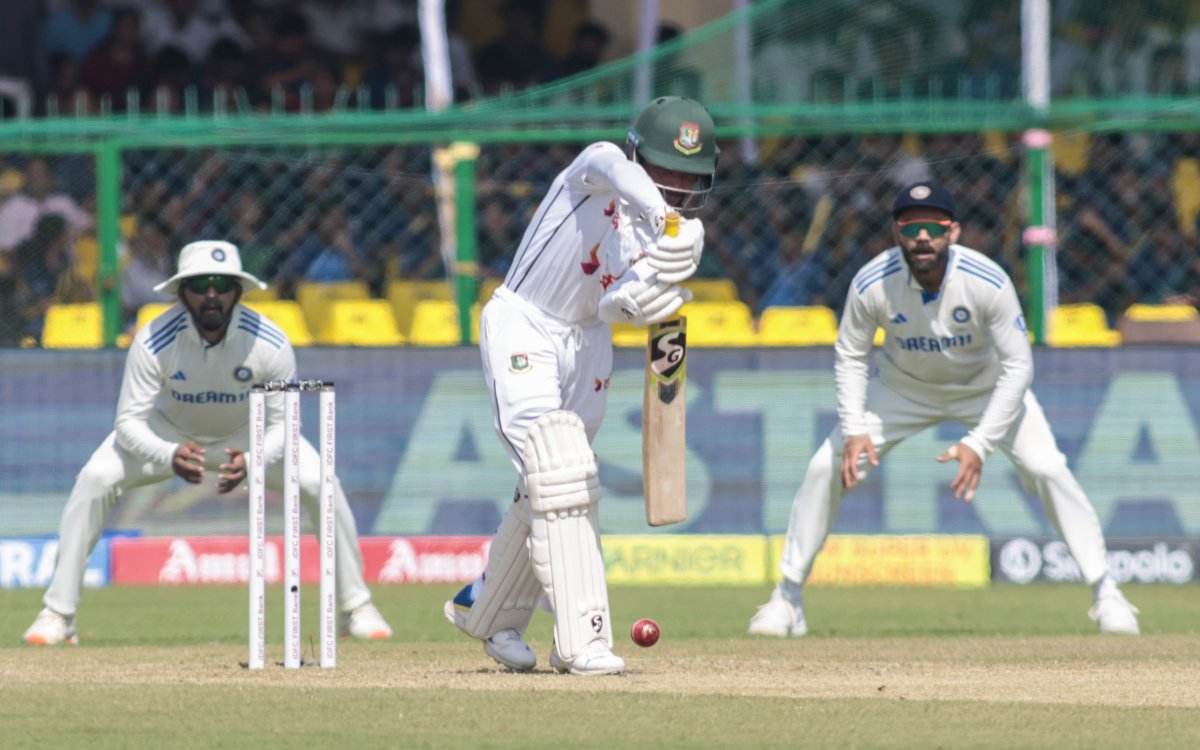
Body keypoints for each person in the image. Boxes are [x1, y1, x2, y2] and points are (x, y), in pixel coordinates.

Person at [747, 182, 1141, 638]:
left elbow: (1018, 367)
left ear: (952, 231)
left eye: (933, 227)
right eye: (912, 226)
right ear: (897, 231)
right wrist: (854, 427)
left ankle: (1107, 593)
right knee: (825, 467)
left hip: (983, 388)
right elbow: (851, 355)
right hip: (902, 388)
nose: (922, 237)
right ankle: (787, 600)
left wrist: (979, 441)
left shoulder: (987, 281)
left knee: (1047, 468)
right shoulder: (873, 282)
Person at [444, 96, 717, 674]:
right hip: (525, 323)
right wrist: (670, 221)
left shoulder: (657, 240)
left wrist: (653, 295)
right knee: (559, 468)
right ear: (638, 153)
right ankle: (583, 639)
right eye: (664, 169)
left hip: (587, 344)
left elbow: (617, 303)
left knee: (553, 481)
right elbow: (620, 175)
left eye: (687, 180)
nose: (672, 186)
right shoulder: (597, 167)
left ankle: (487, 608)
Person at [23, 240, 392, 645]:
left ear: (237, 289)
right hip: (168, 436)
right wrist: (167, 454)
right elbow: (128, 423)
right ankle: (59, 614)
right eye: (200, 284)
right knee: (94, 478)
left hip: (249, 437)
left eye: (221, 283)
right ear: (182, 292)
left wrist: (252, 462)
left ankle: (357, 607)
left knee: (321, 483)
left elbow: (283, 426)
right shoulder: (153, 340)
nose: (212, 294)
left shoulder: (269, 341)